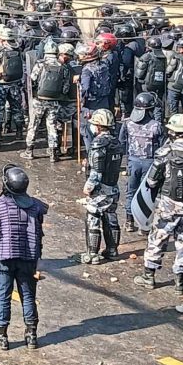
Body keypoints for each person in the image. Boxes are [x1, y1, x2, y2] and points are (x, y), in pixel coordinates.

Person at [134, 113, 183, 293]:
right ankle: (180, 282)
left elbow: (151, 182)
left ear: (172, 132)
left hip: (167, 205)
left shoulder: (165, 153)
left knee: (158, 239)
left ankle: (149, 277)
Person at [0, 165, 48, 352]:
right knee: (28, 297)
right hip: (28, 259)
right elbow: (39, 235)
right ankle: (31, 336)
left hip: (4, 257)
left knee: (3, 297)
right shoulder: (36, 206)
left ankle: (2, 337)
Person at [80, 108, 123, 264]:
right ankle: (112, 250)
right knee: (111, 217)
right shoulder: (116, 142)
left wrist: (89, 186)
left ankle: (92, 254)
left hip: (101, 189)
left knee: (93, 218)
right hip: (113, 186)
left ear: (98, 126)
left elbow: (97, 171)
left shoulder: (99, 143)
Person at [120, 91, 163, 234]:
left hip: (133, 162)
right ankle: (143, 225)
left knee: (130, 192)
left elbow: (121, 142)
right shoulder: (156, 126)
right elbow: (162, 146)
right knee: (148, 194)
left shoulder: (127, 123)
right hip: (149, 164)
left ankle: (129, 221)